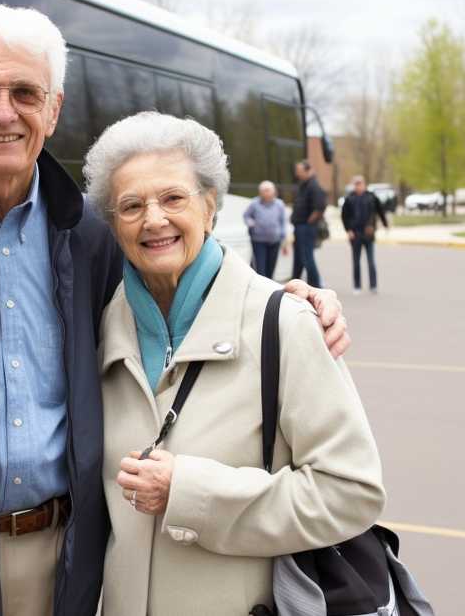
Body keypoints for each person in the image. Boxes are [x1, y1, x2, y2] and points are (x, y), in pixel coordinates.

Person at [0, 4, 352, 616]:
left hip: (65, 567)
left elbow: (185, 289)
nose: (4, 112)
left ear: (53, 110)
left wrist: (289, 301)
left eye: (25, 93)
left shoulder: (91, 236)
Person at [83, 112, 385, 615]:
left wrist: (190, 491)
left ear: (209, 205)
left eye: (173, 198)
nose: (153, 219)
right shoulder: (95, 331)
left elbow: (351, 492)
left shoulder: (285, 324)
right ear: (113, 225)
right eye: (131, 206)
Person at [341, 175, 390, 294]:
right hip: (355, 234)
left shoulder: (371, 197)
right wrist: (348, 230)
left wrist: (385, 224)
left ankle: (373, 285)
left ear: (364, 184)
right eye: (356, 184)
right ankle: (357, 286)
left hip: (368, 233)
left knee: (371, 260)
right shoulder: (349, 199)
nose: (358, 186)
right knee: (356, 261)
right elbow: (344, 216)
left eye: (360, 183)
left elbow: (380, 211)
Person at [291, 160, 326, 287]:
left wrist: (308, 222)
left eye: (299, 171)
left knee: (307, 258)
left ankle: (316, 286)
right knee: (299, 258)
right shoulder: (303, 184)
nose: (297, 173)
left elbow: (319, 207)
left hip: (306, 227)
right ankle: (295, 283)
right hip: (300, 226)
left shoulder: (313, 186)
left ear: (307, 171)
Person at [243, 180, 289, 278]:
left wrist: (284, 240)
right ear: (260, 192)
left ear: (274, 192)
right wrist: (251, 224)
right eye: (264, 190)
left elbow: (283, 222)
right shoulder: (255, 203)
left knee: (271, 267)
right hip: (259, 241)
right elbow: (246, 216)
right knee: (260, 268)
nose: (267, 193)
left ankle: (269, 288)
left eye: (269, 190)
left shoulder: (279, 204)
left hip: (275, 240)